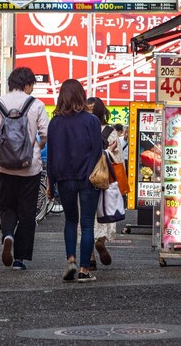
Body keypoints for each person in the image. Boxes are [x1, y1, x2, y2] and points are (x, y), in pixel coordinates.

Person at [0, 67, 48, 271]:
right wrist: (35, 149)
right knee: (27, 212)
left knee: (7, 206)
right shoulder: (36, 104)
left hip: (3, 167)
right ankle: (20, 259)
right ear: (27, 84)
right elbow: (45, 133)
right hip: (30, 168)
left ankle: (8, 235)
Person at [47, 80, 103, 283]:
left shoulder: (55, 122)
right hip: (88, 178)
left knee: (70, 221)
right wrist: (91, 175)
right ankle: (84, 269)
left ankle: (70, 259)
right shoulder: (91, 121)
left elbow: (52, 155)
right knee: (87, 224)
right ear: (81, 95)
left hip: (63, 178)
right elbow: (97, 152)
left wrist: (51, 184)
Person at [86, 97, 122, 269]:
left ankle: (90, 257)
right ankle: (101, 240)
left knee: (86, 217)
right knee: (104, 211)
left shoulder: (83, 128)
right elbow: (118, 160)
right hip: (106, 180)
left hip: (86, 179)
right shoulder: (111, 132)